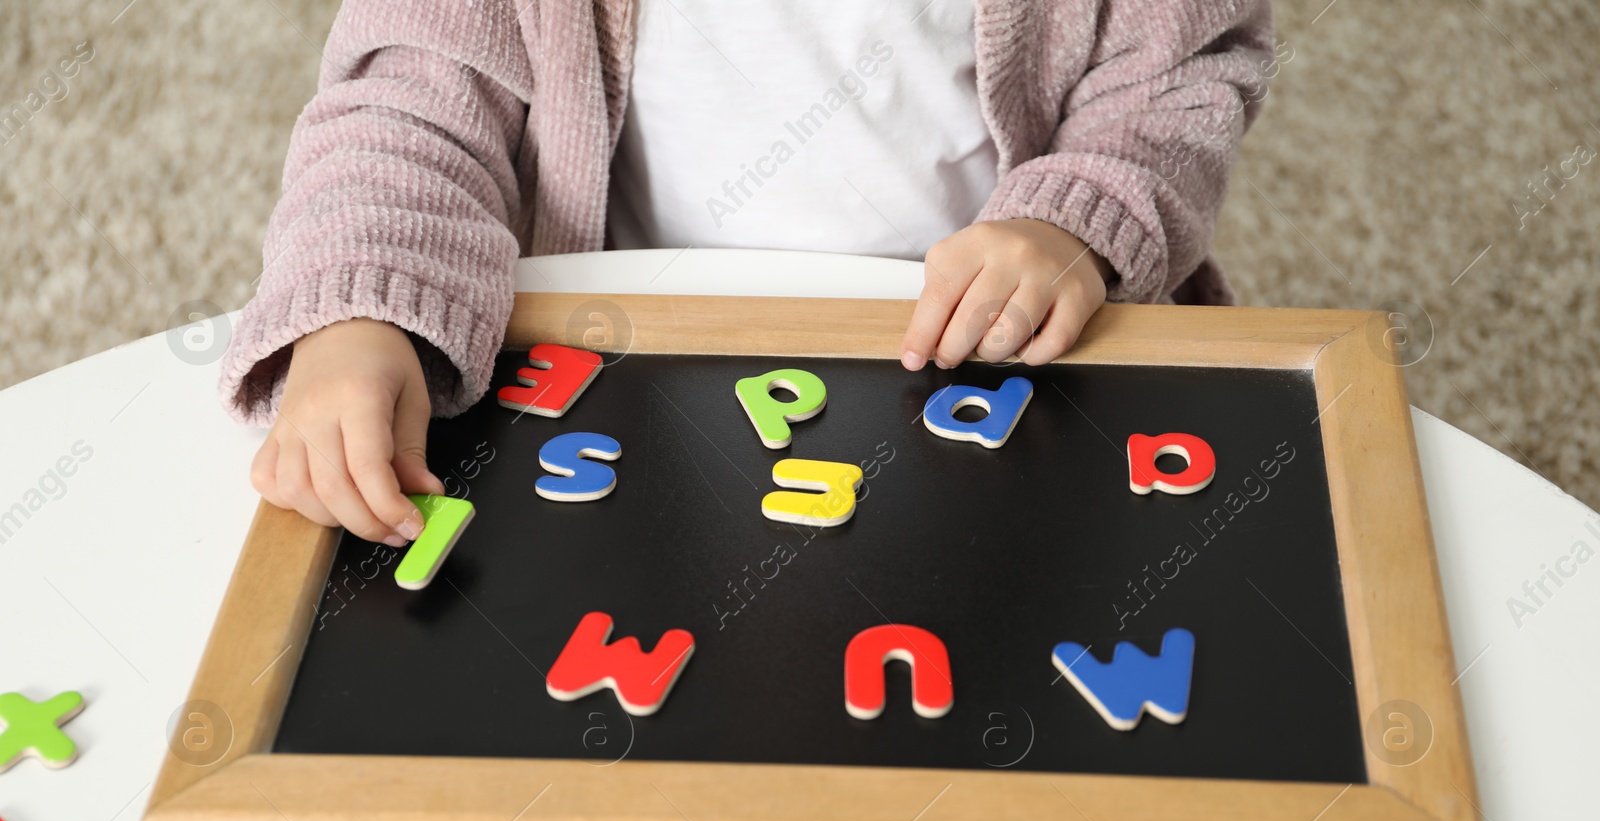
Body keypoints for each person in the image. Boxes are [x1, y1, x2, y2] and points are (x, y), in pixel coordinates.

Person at [221, 0, 1275, 547]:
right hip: (628, 370)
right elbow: (414, 93)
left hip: (992, 354)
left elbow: (1178, 68)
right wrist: (363, 305)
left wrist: (1075, 223)